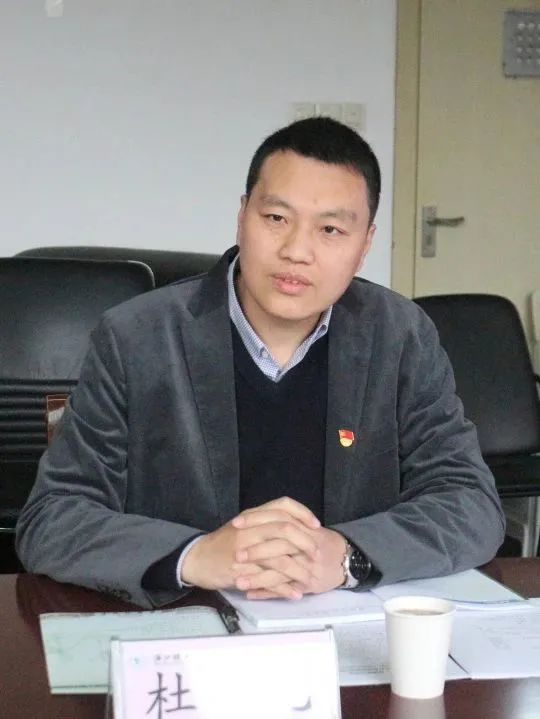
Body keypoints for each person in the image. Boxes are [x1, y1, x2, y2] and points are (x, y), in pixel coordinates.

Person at [16, 118, 505, 608]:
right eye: (276, 218)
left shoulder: (400, 336)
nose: (296, 251)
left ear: (364, 246)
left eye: (330, 229)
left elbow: (470, 503)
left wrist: (345, 556)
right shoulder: (136, 337)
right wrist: (196, 555)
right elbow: (53, 518)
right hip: (186, 626)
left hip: (344, 628)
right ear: (242, 215)